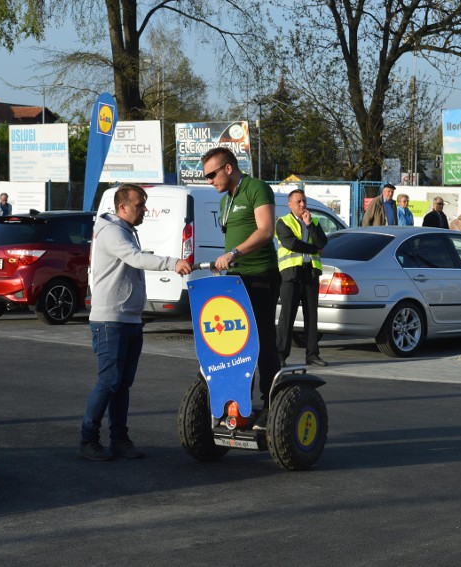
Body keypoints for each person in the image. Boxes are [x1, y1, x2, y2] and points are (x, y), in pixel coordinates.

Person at [78, 184, 192, 461]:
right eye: (140, 205)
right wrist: (171, 262)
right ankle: (88, 440)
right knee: (108, 381)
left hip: (128, 319)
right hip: (110, 321)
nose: (144, 210)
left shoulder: (126, 231)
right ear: (122, 207)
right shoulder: (113, 232)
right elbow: (135, 259)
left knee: (122, 384)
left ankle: (119, 440)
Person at [202, 147, 280, 430]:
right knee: (235, 344)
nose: (209, 181)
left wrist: (234, 253)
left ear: (228, 168)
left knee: (262, 342)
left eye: (212, 174)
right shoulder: (227, 201)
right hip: (235, 281)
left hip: (260, 276)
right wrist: (221, 264)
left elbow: (265, 230)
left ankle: (271, 407)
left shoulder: (256, 188)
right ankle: (238, 407)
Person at [275, 189, 329, 368]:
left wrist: (309, 226)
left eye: (304, 201)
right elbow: (291, 244)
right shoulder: (283, 222)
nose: (302, 205)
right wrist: (313, 249)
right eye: (298, 202)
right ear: (290, 204)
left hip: (310, 272)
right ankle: (281, 355)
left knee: (312, 316)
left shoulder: (312, 221)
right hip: (291, 273)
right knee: (287, 316)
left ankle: (312, 354)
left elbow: (322, 243)